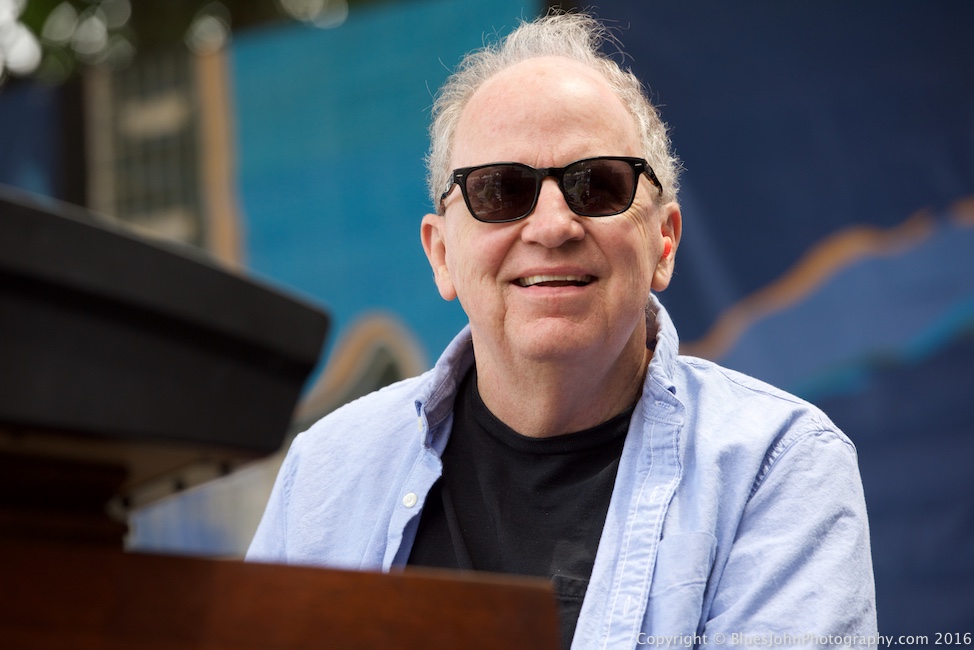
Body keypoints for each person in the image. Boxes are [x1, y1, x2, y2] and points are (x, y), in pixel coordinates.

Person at [247, 11, 877, 649]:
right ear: (442, 255)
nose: (552, 226)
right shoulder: (326, 475)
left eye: (598, 185)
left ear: (664, 242)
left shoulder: (778, 469)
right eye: (499, 190)